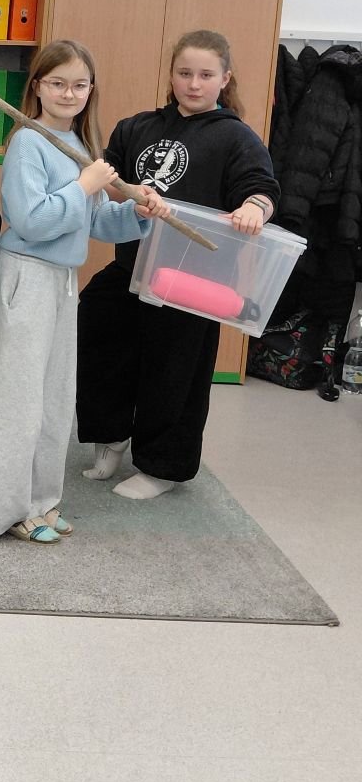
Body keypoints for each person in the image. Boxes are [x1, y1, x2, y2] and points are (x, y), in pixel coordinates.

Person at [0, 40, 169, 543]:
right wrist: (84, 185)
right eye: (57, 83)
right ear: (37, 86)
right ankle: (5, 511)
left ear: (90, 90)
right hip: (26, 277)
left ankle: (42, 501)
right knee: (18, 402)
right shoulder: (28, 142)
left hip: (62, 280)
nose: (68, 93)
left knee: (56, 400)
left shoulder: (80, 143)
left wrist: (136, 212)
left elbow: (94, 221)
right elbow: (33, 221)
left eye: (79, 85)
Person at [76, 29, 281, 500]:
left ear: (224, 78)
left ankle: (162, 465)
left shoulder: (235, 137)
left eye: (205, 75)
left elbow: (262, 189)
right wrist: (128, 193)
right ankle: (111, 435)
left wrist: (254, 208)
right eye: (184, 73)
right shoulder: (137, 127)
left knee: (174, 372)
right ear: (170, 75)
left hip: (192, 282)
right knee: (99, 324)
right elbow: (109, 178)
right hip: (133, 267)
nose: (193, 83)